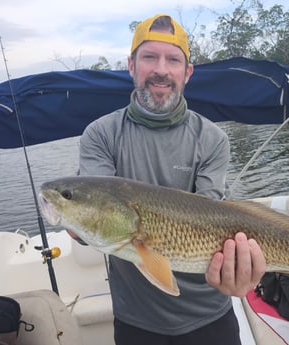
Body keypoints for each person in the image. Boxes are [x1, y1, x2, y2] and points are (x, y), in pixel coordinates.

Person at [76, 14, 266, 345]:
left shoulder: (212, 139)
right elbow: (93, 214)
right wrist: (70, 217)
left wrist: (238, 272)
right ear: (131, 66)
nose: (161, 69)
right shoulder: (101, 135)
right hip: (135, 319)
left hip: (211, 312)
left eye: (173, 59)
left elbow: (214, 217)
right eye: (149, 57)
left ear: (187, 72)